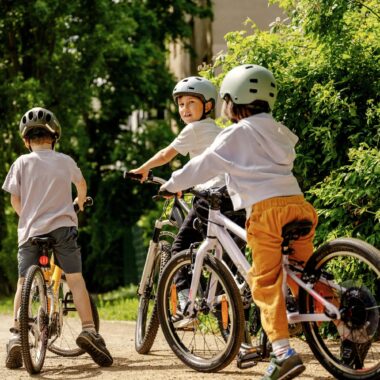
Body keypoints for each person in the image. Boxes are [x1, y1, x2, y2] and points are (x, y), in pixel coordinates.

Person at [160, 64, 318, 380]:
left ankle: (284, 353)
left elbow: (204, 164)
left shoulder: (236, 132)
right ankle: (347, 327)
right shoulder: (278, 128)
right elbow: (286, 157)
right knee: (306, 275)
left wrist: (172, 184)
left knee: (264, 281)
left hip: (266, 211)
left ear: (233, 100)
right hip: (298, 205)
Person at [2, 107, 113, 369]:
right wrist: (80, 203)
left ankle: (18, 335)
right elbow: (82, 185)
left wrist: (27, 216)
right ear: (54, 138)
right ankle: (88, 330)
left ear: (26, 140)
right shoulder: (65, 161)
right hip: (63, 229)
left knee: (22, 282)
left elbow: (14, 199)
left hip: (30, 232)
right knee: (75, 279)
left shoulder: (20, 162)